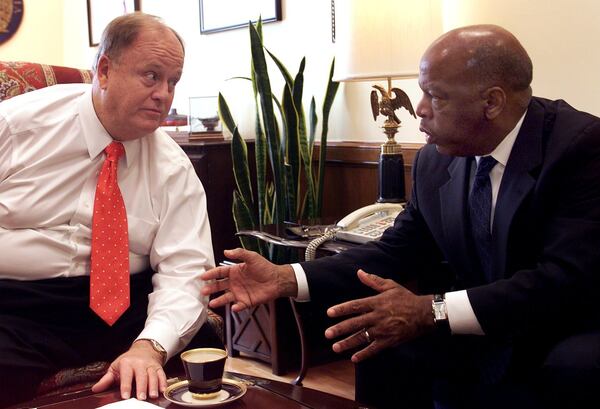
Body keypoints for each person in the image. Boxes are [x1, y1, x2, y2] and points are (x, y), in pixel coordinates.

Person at [202, 24, 600, 408]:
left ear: (492, 102)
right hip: (478, 321)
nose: (420, 110)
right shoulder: (434, 160)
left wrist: (432, 310)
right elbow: (395, 250)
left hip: (559, 324)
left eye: (435, 96)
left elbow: (562, 280)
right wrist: (285, 277)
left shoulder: (580, 148)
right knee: (377, 338)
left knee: (574, 365)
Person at [0, 13, 221, 407]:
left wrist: (150, 347)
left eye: (173, 81)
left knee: (198, 345)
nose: (164, 94)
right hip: (17, 306)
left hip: (123, 305)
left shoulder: (173, 167)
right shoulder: (17, 128)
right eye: (151, 76)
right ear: (104, 70)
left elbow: (187, 268)